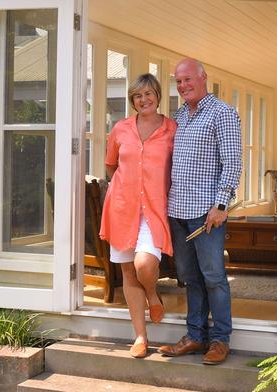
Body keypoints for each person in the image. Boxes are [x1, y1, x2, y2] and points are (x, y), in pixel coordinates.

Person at [159, 58, 242, 365]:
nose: (182, 86)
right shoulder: (179, 116)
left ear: (203, 78)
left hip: (207, 214)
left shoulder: (222, 113)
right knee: (190, 278)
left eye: (187, 79)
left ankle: (220, 340)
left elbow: (233, 163)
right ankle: (195, 336)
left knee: (214, 278)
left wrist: (221, 205)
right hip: (178, 210)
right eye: (178, 81)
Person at [100, 73, 176, 359]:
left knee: (145, 265)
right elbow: (111, 166)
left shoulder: (172, 129)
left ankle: (153, 295)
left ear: (157, 95)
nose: (144, 100)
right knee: (128, 271)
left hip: (155, 210)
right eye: (138, 96)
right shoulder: (120, 129)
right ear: (133, 100)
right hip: (122, 208)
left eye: (148, 94)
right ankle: (140, 337)